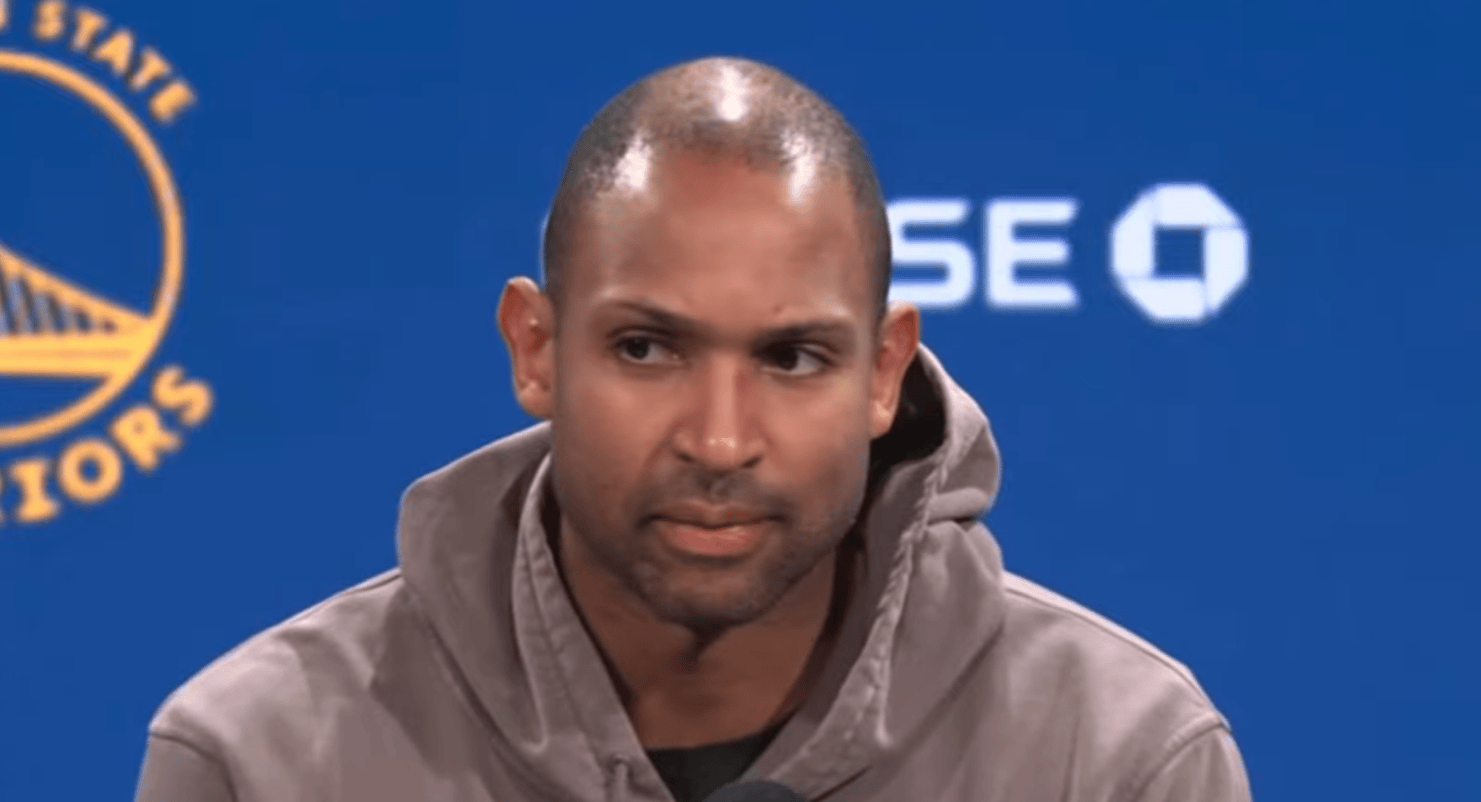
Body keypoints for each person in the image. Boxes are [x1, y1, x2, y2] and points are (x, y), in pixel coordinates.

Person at [134, 57, 1252, 802]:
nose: (719, 442)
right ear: (534, 347)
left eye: (791, 358)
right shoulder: (262, 759)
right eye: (646, 349)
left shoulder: (1116, 759)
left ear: (883, 372)